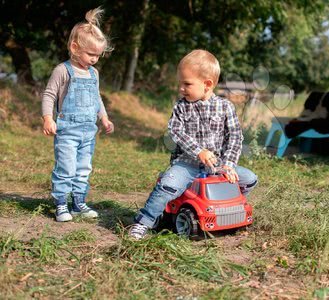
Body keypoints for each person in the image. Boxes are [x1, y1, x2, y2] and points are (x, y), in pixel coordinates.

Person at [129, 49, 258, 239]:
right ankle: (144, 222)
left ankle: (226, 208)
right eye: (180, 83)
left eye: (187, 84)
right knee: (167, 185)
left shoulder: (225, 107)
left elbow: (235, 136)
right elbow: (175, 131)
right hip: (186, 164)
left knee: (249, 178)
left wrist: (229, 165)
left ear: (207, 84)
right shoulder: (181, 106)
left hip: (218, 165)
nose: (181, 88)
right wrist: (199, 151)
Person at [41, 7, 114, 222]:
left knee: (84, 168)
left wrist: (104, 117)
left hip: (88, 131)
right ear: (75, 47)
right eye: (91, 54)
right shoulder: (62, 70)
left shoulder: (94, 73)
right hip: (67, 130)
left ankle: (79, 202)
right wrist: (47, 117)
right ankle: (61, 204)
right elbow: (49, 95)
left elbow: (96, 97)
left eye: (98, 55)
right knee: (66, 167)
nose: (94, 59)